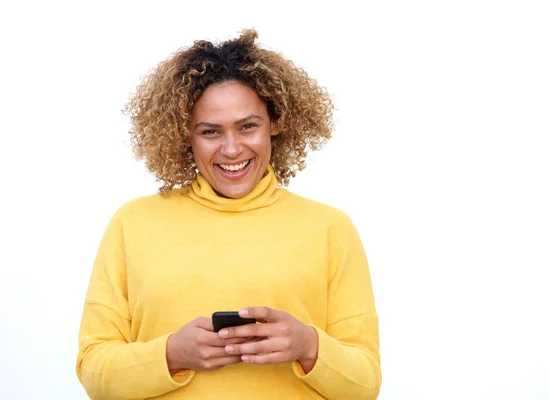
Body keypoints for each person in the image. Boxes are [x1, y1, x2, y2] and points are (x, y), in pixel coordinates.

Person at [76, 29, 381, 400]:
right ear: (185, 136)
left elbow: (365, 385)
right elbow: (93, 371)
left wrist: (308, 346)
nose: (232, 148)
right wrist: (171, 354)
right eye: (210, 131)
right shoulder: (133, 223)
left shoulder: (330, 228)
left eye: (248, 126)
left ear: (275, 122)